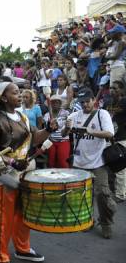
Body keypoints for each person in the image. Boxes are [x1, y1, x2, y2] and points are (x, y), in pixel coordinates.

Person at [0, 81, 57, 263]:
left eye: (20, 91)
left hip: (24, 174)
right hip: (3, 178)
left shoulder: (21, 116)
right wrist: (12, 161)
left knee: (23, 215)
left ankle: (22, 248)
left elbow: (35, 138)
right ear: (4, 98)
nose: (20, 95)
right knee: (1, 222)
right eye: (15, 93)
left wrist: (49, 130)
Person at [62, 88, 116, 239]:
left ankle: (106, 223)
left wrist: (90, 132)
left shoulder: (102, 114)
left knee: (102, 194)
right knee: (81, 195)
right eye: (82, 102)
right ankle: (87, 220)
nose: (85, 104)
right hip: (79, 163)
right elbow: (63, 134)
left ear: (94, 100)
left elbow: (110, 133)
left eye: (87, 101)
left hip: (98, 162)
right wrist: (67, 128)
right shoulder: (74, 115)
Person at [104, 80, 126, 203]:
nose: (112, 90)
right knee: (110, 166)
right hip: (110, 138)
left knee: (121, 168)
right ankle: (114, 191)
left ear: (122, 89)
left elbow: (112, 111)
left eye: (115, 88)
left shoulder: (124, 101)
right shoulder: (109, 101)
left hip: (122, 138)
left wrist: (108, 109)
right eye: (111, 88)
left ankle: (120, 194)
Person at [44, 95, 70, 168]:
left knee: (63, 163)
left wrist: (57, 124)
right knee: (51, 163)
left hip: (63, 140)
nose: (55, 104)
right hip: (51, 141)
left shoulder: (66, 113)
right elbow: (46, 129)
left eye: (57, 102)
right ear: (50, 104)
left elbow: (68, 127)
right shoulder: (46, 115)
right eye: (53, 102)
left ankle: (65, 178)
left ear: (60, 104)